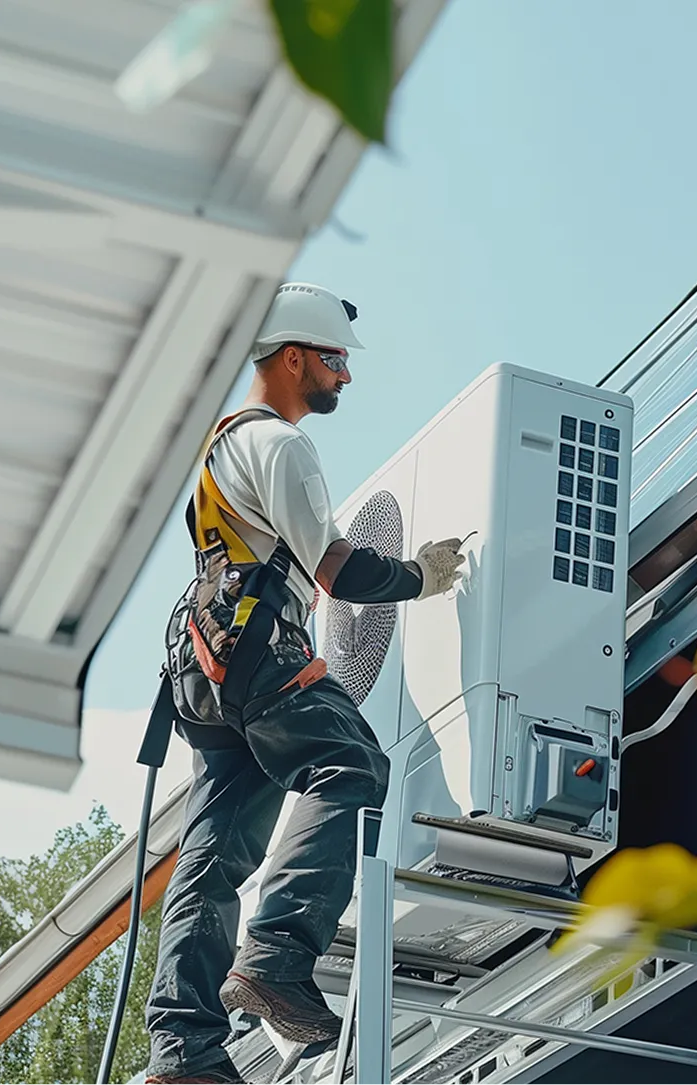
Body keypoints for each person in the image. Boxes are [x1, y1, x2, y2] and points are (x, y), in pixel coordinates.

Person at [143, 283, 464, 1085]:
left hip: (204, 663)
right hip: (255, 647)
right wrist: (419, 576)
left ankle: (184, 1049)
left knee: (215, 848)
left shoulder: (222, 447)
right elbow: (336, 568)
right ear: (293, 358)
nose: (345, 376)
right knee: (352, 762)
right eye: (334, 360)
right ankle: (276, 956)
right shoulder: (279, 444)